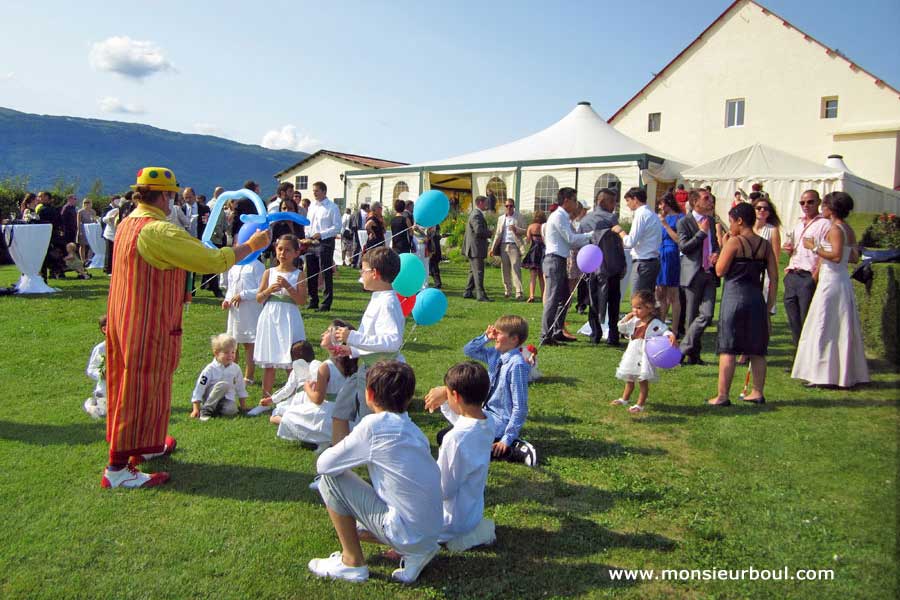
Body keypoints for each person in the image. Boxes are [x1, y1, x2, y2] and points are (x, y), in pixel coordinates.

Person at [103, 166, 270, 489]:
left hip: (128, 319)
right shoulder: (157, 231)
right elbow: (210, 260)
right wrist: (252, 245)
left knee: (144, 387)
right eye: (172, 195)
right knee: (139, 389)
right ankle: (118, 467)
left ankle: (145, 446)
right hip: (146, 323)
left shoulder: (127, 223)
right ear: (165, 196)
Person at [309, 360, 442, 584]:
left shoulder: (372, 426)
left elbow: (324, 465)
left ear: (369, 394)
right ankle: (416, 551)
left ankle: (352, 563)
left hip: (407, 533)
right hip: (431, 533)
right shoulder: (414, 430)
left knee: (328, 480)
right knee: (359, 526)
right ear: (409, 398)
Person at [791, 192, 870, 388]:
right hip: (840, 279)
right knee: (839, 324)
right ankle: (841, 372)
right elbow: (852, 257)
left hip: (831, 281)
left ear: (831, 209)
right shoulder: (847, 229)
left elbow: (835, 256)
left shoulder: (835, 229)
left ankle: (823, 374)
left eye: (824, 205)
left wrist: (814, 246)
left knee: (824, 323)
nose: (822, 208)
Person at [329, 247, 405, 446]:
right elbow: (373, 336)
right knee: (341, 410)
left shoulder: (388, 302)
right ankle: (339, 456)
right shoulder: (378, 297)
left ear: (375, 273)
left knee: (369, 419)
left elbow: (392, 341)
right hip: (367, 367)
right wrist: (352, 350)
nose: (361, 275)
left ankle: (374, 459)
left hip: (378, 373)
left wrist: (351, 337)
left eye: (363, 270)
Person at [708, 203, 778, 406]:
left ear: (739, 220)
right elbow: (774, 276)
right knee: (757, 349)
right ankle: (757, 392)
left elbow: (720, 270)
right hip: (756, 298)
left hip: (734, 298)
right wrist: (769, 305)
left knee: (728, 347)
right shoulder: (764, 245)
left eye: (731, 221)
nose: (730, 226)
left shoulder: (735, 242)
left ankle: (722, 395)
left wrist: (723, 248)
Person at [423, 361, 496, 551]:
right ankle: (473, 532)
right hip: (472, 513)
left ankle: (457, 540)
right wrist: (446, 399)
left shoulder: (454, 440)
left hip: (450, 521)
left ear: (455, 395)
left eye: (448, 393)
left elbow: (443, 490)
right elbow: (463, 421)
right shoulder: (487, 421)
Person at [454, 315, 537, 465]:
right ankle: (499, 442)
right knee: (447, 437)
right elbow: (469, 350)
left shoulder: (517, 365)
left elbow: (520, 407)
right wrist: (486, 337)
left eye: (499, 333)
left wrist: (507, 438)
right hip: (486, 414)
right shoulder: (495, 354)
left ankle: (513, 450)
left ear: (514, 339)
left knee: (461, 444)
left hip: (500, 421)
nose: (495, 336)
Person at [272, 322, 358, 452]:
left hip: (329, 414)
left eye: (328, 331)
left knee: (289, 415)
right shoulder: (352, 366)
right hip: (349, 414)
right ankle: (327, 439)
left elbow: (318, 399)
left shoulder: (326, 367)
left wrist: (307, 388)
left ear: (337, 341)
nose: (323, 333)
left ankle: (322, 438)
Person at [254, 234, 308, 397]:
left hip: (289, 316)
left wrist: (288, 286)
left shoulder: (298, 275)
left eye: (287, 250)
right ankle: (266, 397)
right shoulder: (269, 272)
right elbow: (258, 298)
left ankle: (295, 397)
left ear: (296, 253)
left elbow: (301, 300)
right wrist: (269, 290)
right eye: (280, 249)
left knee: (291, 358)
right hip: (270, 314)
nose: (282, 253)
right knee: (270, 359)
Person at [609, 290, 676, 413]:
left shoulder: (654, 322)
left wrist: (670, 335)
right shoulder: (635, 320)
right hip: (632, 353)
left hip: (644, 355)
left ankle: (640, 404)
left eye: (638, 308)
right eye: (633, 307)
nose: (635, 311)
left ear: (649, 308)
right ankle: (625, 398)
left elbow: (664, 330)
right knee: (629, 378)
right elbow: (622, 328)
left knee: (642, 380)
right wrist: (626, 318)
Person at [540, 188, 591, 345]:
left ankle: (557, 330)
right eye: (574, 200)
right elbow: (571, 239)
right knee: (553, 298)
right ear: (567, 200)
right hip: (554, 259)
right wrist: (590, 235)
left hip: (559, 259)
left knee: (564, 298)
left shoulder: (563, 216)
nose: (576, 204)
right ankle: (545, 334)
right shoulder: (559, 216)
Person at [782, 190, 831, 346]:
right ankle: (798, 354)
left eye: (810, 202)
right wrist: (789, 251)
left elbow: (826, 252)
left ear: (818, 202)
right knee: (793, 320)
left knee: (807, 319)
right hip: (792, 274)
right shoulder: (798, 224)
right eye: (802, 203)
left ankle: (810, 354)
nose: (806, 205)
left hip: (807, 276)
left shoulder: (824, 224)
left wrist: (815, 276)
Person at [677, 189, 720, 365]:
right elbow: (684, 247)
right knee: (691, 317)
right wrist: (701, 233)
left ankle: (682, 350)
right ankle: (694, 356)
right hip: (693, 274)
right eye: (706, 199)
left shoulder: (710, 220)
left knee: (707, 315)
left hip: (709, 272)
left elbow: (715, 244)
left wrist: (717, 253)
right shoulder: (684, 222)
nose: (710, 201)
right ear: (695, 202)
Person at [579, 188, 625, 345]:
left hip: (590, 267)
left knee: (592, 299)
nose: (614, 205)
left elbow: (580, 244)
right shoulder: (611, 218)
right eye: (612, 201)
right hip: (610, 267)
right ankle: (613, 335)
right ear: (602, 201)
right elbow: (619, 244)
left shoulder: (585, 220)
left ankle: (595, 333)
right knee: (613, 302)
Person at [222, 248, 266, 385]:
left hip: (250, 309)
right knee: (233, 342)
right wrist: (227, 299)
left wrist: (243, 295)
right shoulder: (234, 266)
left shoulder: (257, 266)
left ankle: (249, 375)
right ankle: (233, 374)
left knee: (249, 343)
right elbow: (231, 287)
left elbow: (262, 289)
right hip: (235, 311)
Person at [611, 187, 661, 295]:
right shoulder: (652, 214)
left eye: (628, 201)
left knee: (637, 299)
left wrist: (621, 231)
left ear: (635, 199)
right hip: (653, 261)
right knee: (647, 300)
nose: (627, 204)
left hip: (643, 262)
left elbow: (630, 242)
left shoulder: (640, 214)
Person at [190, 334, 249, 420]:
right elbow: (199, 388)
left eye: (233, 352)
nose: (230, 355)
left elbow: (240, 387)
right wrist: (195, 408)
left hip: (227, 398)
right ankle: (206, 409)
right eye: (226, 353)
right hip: (210, 397)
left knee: (232, 410)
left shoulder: (236, 369)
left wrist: (243, 406)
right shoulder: (209, 369)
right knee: (223, 385)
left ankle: (215, 411)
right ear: (216, 353)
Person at [249, 341, 316, 416]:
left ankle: (285, 421)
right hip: (316, 399)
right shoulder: (319, 366)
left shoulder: (295, 371)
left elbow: (287, 389)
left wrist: (272, 399)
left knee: (277, 411)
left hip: (301, 399)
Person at [306, 182, 341, 312]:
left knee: (326, 272)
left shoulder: (332, 207)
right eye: (313, 191)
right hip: (311, 242)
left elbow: (337, 227)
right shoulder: (312, 206)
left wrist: (321, 234)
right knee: (311, 271)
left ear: (324, 191)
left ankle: (326, 302)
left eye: (317, 191)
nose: (314, 193)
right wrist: (307, 235)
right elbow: (308, 223)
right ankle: (313, 299)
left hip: (325, 242)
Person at [656, 192, 683, 336]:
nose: (660, 207)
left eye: (661, 204)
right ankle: (660, 325)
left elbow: (679, 239)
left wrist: (665, 225)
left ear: (667, 203)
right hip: (660, 254)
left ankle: (675, 328)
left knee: (673, 294)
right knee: (660, 292)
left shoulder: (679, 218)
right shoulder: (661, 217)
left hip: (671, 253)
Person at [751, 196, 782, 315]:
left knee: (764, 310)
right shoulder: (748, 228)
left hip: (765, 272)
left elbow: (775, 255)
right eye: (758, 208)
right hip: (749, 271)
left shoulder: (772, 230)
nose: (762, 211)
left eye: (765, 208)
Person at [491, 199, 526, 300]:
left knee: (516, 269)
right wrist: (492, 248)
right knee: (505, 269)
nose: (509, 208)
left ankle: (518, 292)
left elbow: (525, 230)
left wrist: (516, 229)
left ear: (514, 206)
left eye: (510, 206)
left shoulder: (519, 217)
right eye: (507, 206)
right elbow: (497, 234)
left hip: (514, 245)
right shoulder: (501, 218)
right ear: (504, 207)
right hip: (503, 245)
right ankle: (507, 290)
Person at [462, 195, 492, 302]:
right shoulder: (476, 215)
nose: (487, 205)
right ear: (480, 203)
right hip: (476, 248)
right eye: (486, 203)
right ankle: (481, 295)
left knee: (473, 271)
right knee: (478, 272)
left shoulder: (476, 214)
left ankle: (468, 291)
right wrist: (490, 233)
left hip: (475, 248)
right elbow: (478, 230)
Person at [83, 316, 108, 419]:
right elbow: (91, 369)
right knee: (102, 414)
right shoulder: (100, 349)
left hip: (121, 389)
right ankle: (90, 404)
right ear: (105, 329)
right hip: (104, 389)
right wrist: (101, 374)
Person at [522, 210, 547, 303]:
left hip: (534, 251)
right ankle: (543, 294)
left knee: (533, 275)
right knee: (541, 275)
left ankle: (531, 295)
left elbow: (528, 240)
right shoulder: (544, 227)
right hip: (543, 251)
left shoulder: (531, 227)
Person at [101, 197, 120, 275]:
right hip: (109, 234)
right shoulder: (113, 211)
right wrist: (111, 218)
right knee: (109, 252)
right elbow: (104, 219)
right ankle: (107, 269)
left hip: (117, 234)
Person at [76, 198, 97, 264]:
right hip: (83, 228)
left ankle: (89, 258)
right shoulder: (80, 212)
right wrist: (79, 231)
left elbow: (94, 220)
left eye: (88, 203)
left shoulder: (93, 211)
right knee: (83, 245)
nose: (87, 204)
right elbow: (78, 222)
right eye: (86, 203)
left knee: (91, 244)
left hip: (90, 228)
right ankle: (83, 259)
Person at [426, 223, 443, 288]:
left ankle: (438, 283)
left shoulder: (432, 224)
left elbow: (432, 236)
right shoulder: (435, 224)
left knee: (433, 267)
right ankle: (437, 283)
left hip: (433, 249)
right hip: (435, 248)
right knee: (433, 267)